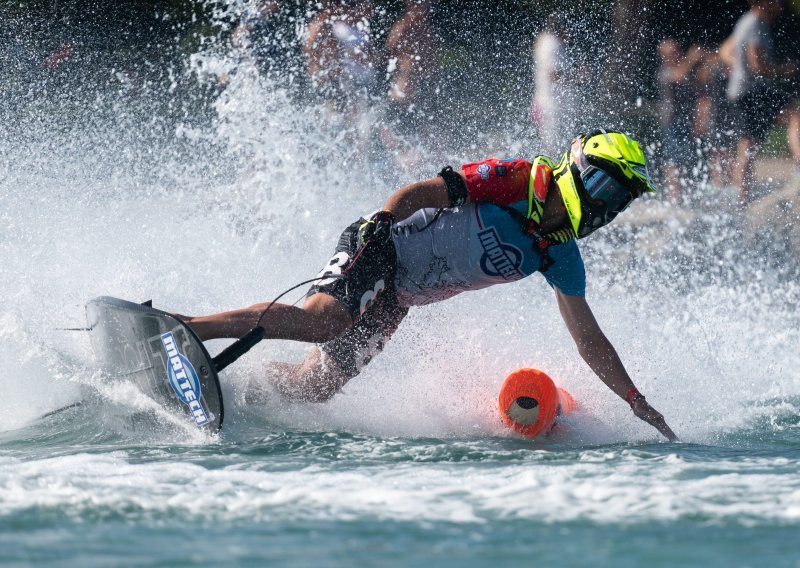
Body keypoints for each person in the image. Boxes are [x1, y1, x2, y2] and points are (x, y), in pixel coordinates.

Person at [181, 129, 678, 441]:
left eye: (619, 202)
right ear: (578, 170)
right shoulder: (519, 179)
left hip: (398, 297)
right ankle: (188, 329)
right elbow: (421, 191)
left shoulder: (560, 254)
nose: (606, 208)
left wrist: (635, 400)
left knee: (318, 385)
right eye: (604, 189)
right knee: (323, 320)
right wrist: (382, 220)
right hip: (381, 243)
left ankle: (243, 391)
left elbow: (588, 340)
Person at [719, 0, 800, 204]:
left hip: (742, 91)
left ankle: (742, 198)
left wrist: (736, 68)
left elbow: (725, 51)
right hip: (751, 91)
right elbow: (757, 66)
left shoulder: (748, 22)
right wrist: (786, 68)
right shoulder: (754, 24)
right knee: (795, 115)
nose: (782, 4)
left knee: (748, 144)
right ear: (763, 3)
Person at [656, 39, 704, 202]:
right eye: (673, 52)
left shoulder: (684, 69)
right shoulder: (665, 71)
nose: (678, 54)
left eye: (678, 50)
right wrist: (691, 59)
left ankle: (684, 196)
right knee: (673, 160)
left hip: (685, 121)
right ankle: (673, 197)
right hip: (671, 122)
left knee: (686, 159)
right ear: (664, 57)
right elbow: (678, 77)